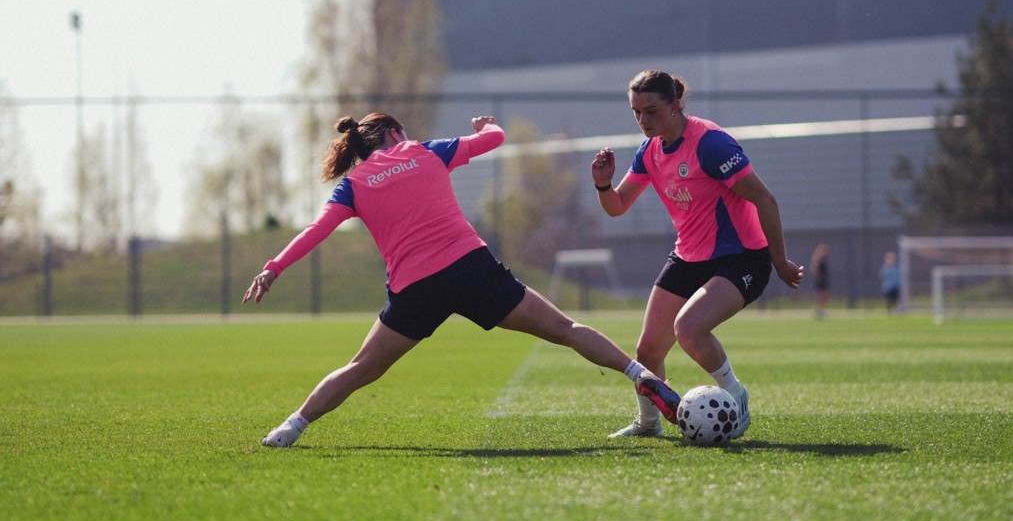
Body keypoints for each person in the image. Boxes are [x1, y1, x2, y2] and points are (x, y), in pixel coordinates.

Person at [244, 112, 680, 447]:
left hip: (417, 288)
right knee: (565, 329)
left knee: (362, 367)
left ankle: (291, 427)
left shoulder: (354, 184)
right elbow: (494, 139)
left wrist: (273, 268)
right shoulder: (427, 150)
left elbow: (315, 231)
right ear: (397, 134)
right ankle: (638, 372)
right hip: (472, 268)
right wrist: (487, 125)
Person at [591, 70, 803, 440]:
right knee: (647, 349)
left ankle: (736, 397)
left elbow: (765, 199)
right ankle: (649, 424)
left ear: (675, 105)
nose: (643, 120)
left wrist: (780, 260)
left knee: (689, 329)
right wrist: (603, 183)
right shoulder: (650, 151)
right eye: (636, 112)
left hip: (741, 257)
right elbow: (618, 205)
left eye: (651, 111)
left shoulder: (711, 143)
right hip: (688, 257)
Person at [810, 244, 830, 319]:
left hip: (824, 279)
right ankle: (818, 310)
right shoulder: (817, 260)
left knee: (825, 295)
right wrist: (818, 277)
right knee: (820, 295)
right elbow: (814, 269)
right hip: (820, 280)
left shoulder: (824, 260)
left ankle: (821, 309)